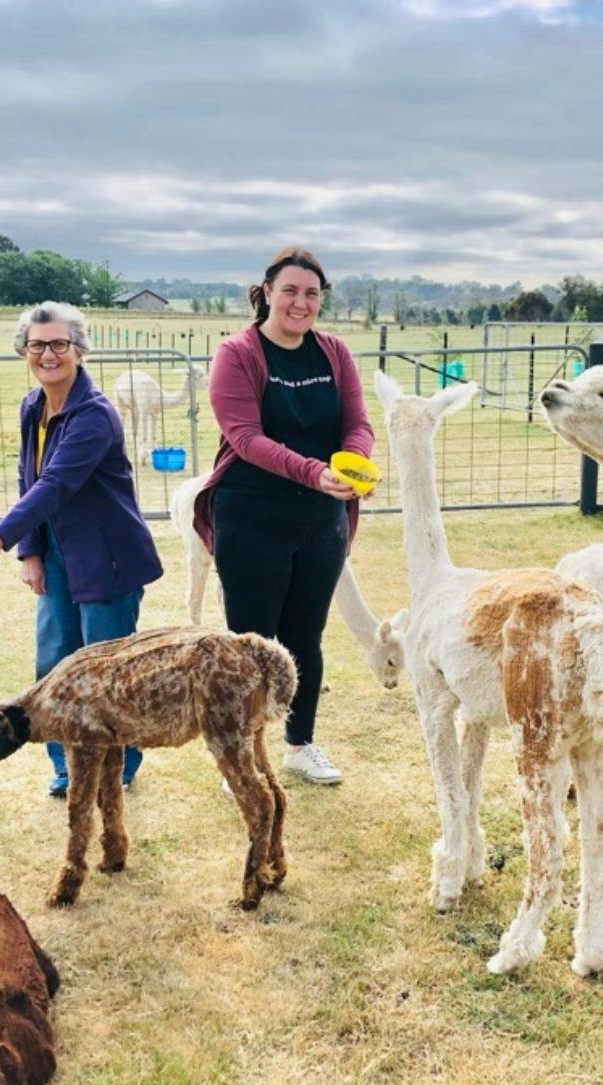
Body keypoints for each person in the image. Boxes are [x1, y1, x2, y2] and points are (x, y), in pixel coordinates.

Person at [191, 247, 373, 785]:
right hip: (251, 515)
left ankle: (300, 744)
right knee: (250, 644)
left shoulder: (335, 353)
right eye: (290, 290)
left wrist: (353, 462)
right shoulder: (238, 353)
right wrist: (314, 472)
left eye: (312, 293)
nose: (301, 302)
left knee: (305, 638)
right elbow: (244, 437)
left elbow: (357, 422)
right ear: (267, 292)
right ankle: (239, 757)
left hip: (321, 519)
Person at [0, 301, 162, 797]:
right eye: (38, 345)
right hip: (56, 551)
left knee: (105, 672)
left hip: (108, 554)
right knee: (54, 663)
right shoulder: (32, 406)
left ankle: (117, 765)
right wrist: (30, 550)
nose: (48, 354)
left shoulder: (94, 415)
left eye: (60, 344)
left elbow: (55, 485)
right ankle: (66, 764)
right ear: (25, 352)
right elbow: (28, 475)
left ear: (79, 350)